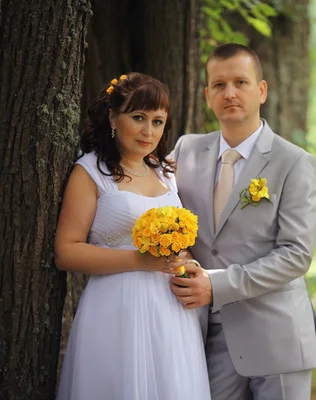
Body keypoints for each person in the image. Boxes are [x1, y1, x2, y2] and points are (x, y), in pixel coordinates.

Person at [169, 43, 316, 400]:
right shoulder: (185, 151)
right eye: (220, 85)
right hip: (204, 336)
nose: (230, 93)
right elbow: (153, 210)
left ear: (262, 90)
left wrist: (217, 284)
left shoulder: (294, 163)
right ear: (207, 95)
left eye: (241, 82)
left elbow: (296, 255)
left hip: (277, 336)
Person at [55, 72, 211, 400]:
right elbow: (66, 252)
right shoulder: (90, 171)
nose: (147, 131)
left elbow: (177, 244)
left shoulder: (164, 172)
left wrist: (187, 262)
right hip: (117, 308)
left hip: (170, 312)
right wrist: (138, 261)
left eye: (157, 121)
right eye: (138, 118)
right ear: (113, 117)